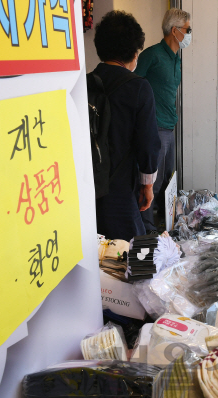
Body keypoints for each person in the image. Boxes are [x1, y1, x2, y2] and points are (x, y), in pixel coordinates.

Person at [91, 11, 161, 241]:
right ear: (133, 52)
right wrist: (147, 186)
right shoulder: (139, 88)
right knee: (138, 262)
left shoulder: (85, 83)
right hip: (121, 190)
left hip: (87, 189)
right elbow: (148, 145)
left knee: (97, 255)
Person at [135, 8, 190, 232]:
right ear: (175, 31)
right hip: (154, 127)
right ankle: (147, 230)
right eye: (188, 29)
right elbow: (133, 83)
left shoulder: (176, 57)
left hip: (169, 126)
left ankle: (165, 225)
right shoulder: (153, 55)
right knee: (151, 183)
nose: (189, 34)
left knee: (167, 181)